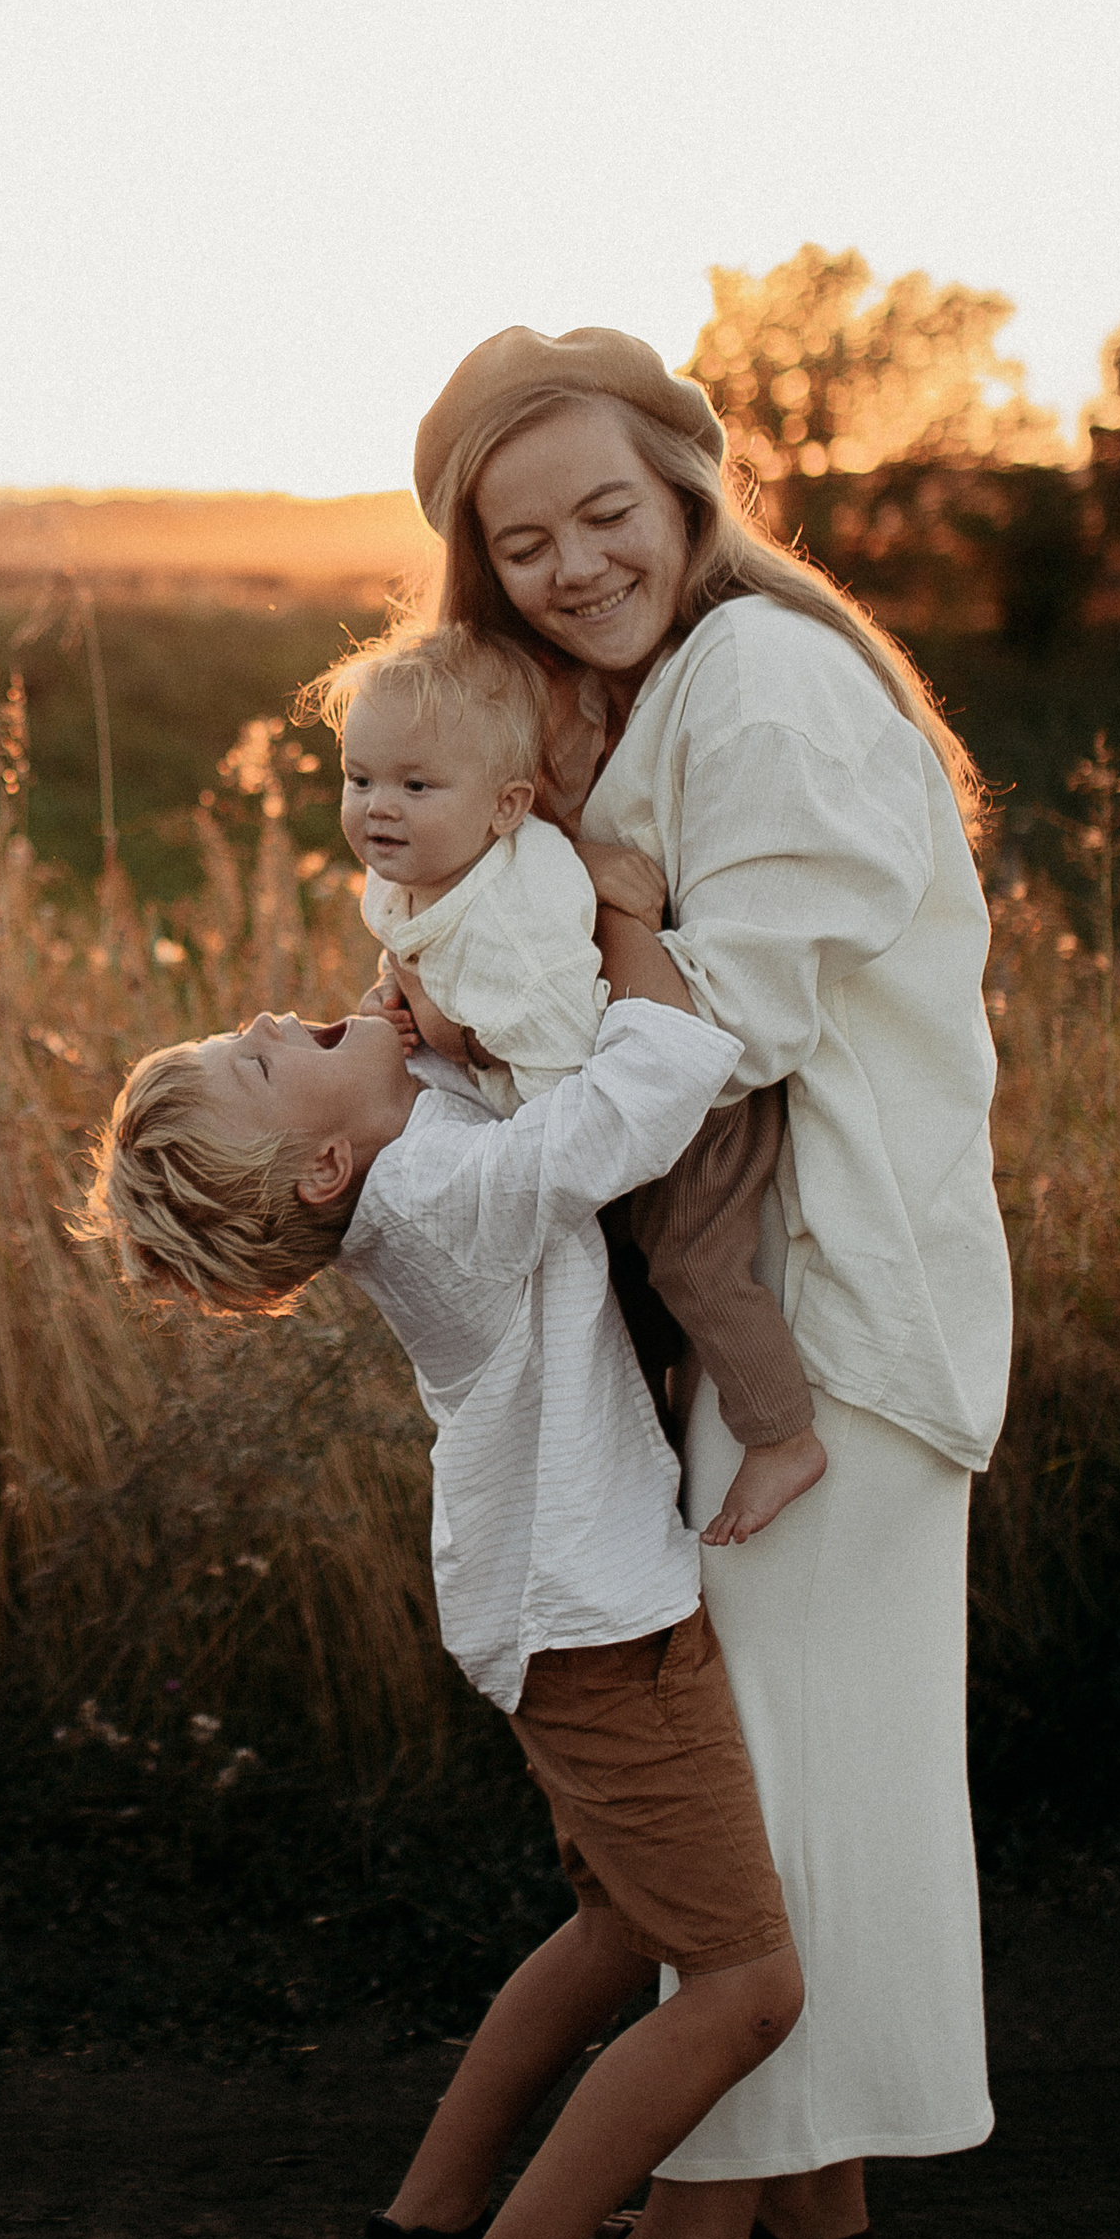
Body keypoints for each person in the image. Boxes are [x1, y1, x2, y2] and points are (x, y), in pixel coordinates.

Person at [408, 319, 1009, 2239]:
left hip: (834, 1322)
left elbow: (723, 1029)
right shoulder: (672, 685)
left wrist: (548, 953)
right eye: (521, 541)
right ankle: (812, 2217)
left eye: (603, 512)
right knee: (808, 1774)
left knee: (777, 1797)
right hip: (796, 1306)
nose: (572, 562)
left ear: (686, 488)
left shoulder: (759, 680)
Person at [82, 925, 803, 2239]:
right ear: (331, 1167)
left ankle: (423, 2221)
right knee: (747, 1988)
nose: (283, 1011)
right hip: (608, 1627)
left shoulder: (411, 1169)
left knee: (621, 1925)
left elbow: (482, 1107)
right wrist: (627, 930)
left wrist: (448, 1032)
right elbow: (646, 1093)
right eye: (270, 1055)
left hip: (549, 1617)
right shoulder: (446, 1198)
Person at [310, 620, 825, 1547]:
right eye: (359, 780)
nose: (378, 809)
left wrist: (469, 1054)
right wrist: (401, 1001)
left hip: (695, 1112)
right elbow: (420, 954)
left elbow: (583, 1096)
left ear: (507, 807)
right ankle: (654, 1454)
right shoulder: (423, 869)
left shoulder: (517, 939)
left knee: (690, 1263)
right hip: (622, 1090)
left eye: (415, 787)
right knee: (622, 1301)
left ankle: (782, 1433)